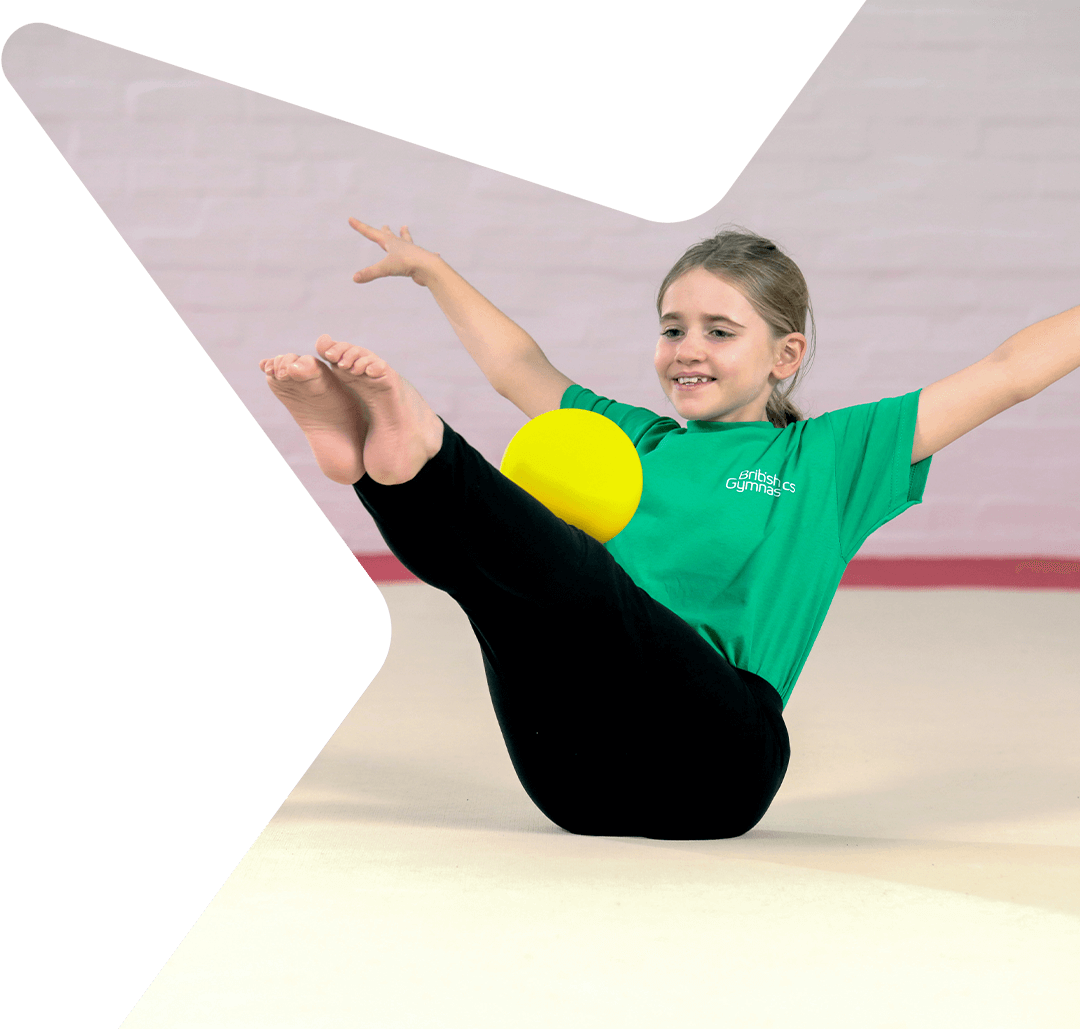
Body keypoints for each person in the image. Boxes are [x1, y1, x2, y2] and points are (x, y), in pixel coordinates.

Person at [259, 218, 1079, 840]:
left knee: (578, 576)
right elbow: (520, 369)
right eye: (672, 328)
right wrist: (435, 273)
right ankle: (380, 469)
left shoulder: (829, 457)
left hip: (715, 766)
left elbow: (1008, 374)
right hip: (569, 778)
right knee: (497, 594)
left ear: (785, 355)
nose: (688, 350)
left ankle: (409, 458)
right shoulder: (631, 442)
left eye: (720, 332)